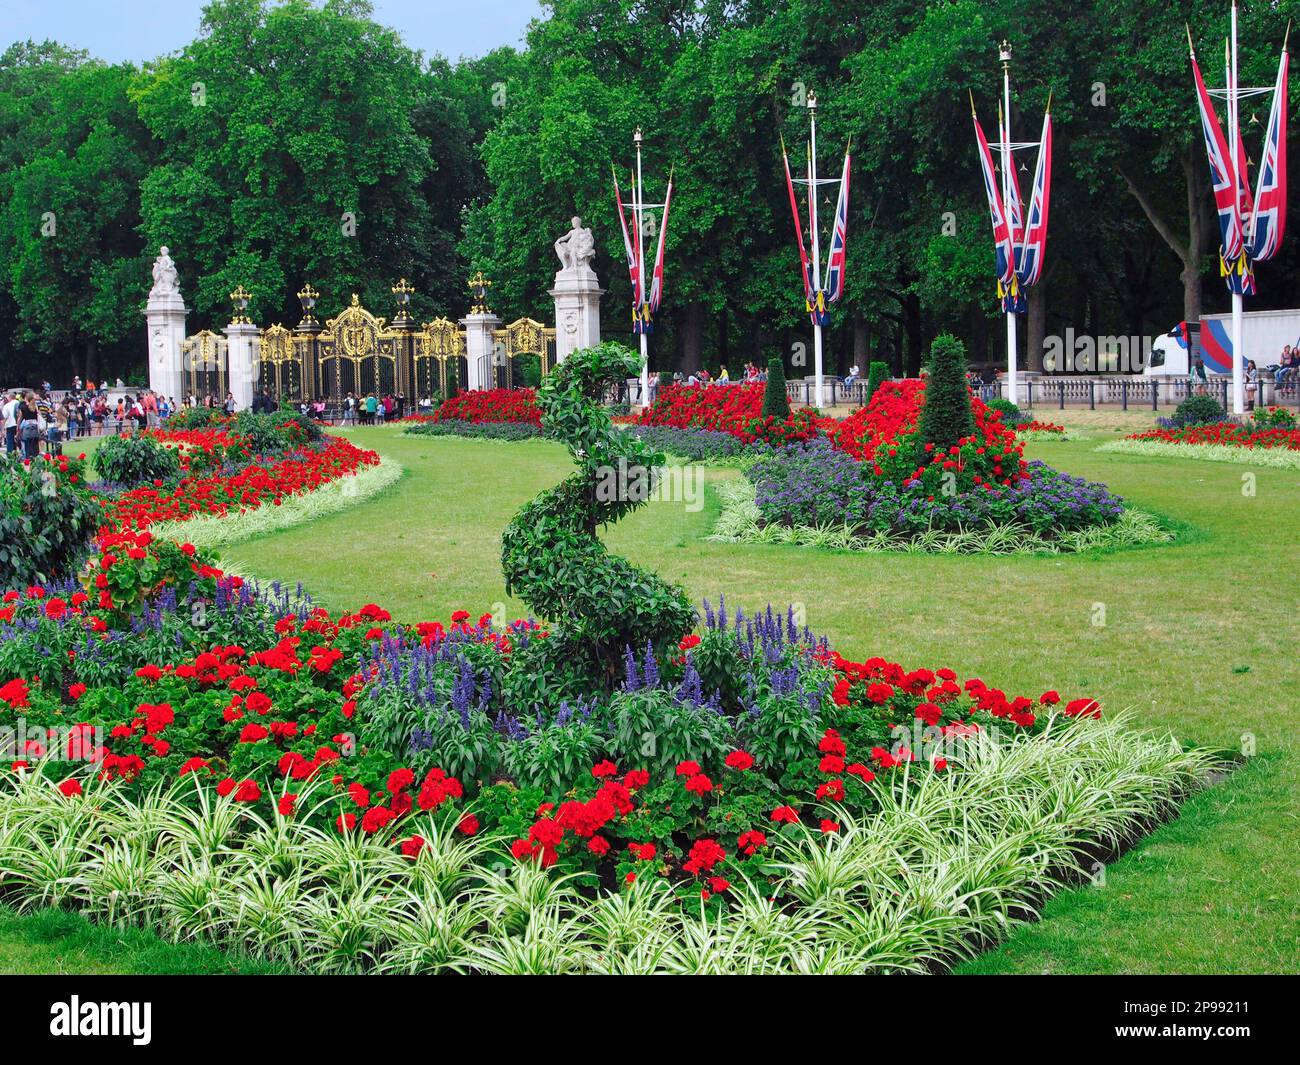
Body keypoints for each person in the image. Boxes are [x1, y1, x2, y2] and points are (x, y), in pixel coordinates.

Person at [17, 392, 41, 459]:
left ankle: (27, 459)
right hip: (35, 426)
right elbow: (38, 417)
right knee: (34, 445)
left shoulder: (23, 407)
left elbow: (20, 418)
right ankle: (34, 457)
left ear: (26, 398)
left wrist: (18, 427)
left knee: (27, 444)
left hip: (27, 427)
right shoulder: (35, 407)